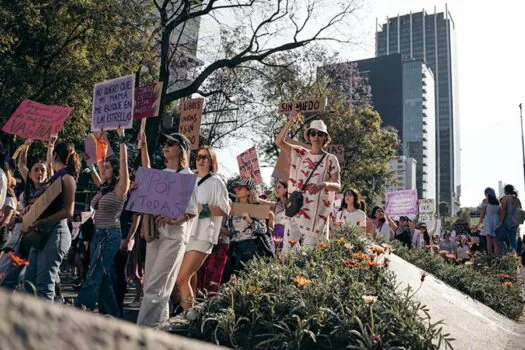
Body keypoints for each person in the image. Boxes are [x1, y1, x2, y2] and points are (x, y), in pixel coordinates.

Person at [136, 132, 198, 326]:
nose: (166, 146)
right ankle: (160, 327)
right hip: (155, 235)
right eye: (165, 143)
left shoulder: (188, 176)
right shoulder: (162, 174)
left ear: (181, 149)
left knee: (156, 285)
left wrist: (174, 220)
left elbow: (193, 210)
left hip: (174, 238)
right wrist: (143, 145)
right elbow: (146, 172)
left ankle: (141, 331)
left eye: (171, 143)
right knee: (152, 285)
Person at [75, 129, 130, 316]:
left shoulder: (120, 189)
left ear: (115, 171)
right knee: (103, 277)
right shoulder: (103, 187)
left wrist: (121, 137)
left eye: (106, 167)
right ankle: (114, 315)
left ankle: (81, 310)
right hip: (98, 235)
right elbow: (92, 165)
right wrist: (92, 150)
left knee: (93, 274)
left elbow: (123, 163)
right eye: (102, 167)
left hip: (110, 235)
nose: (102, 169)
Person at [175, 146, 230, 311]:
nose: (201, 160)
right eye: (198, 157)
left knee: (181, 279)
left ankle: (189, 319)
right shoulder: (189, 179)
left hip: (204, 235)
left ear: (211, 161)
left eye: (205, 157)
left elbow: (225, 209)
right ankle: (191, 313)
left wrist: (203, 208)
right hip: (186, 233)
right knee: (190, 278)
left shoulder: (216, 182)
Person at [274, 112, 341, 246]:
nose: (316, 137)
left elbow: (338, 185)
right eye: (313, 133)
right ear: (309, 136)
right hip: (296, 207)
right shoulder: (300, 153)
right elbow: (279, 141)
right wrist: (290, 122)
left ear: (325, 138)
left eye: (320, 134)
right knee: (289, 252)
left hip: (316, 213)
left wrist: (324, 184)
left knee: (311, 254)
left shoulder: (331, 159)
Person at [23, 142, 79, 300]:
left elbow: (69, 211)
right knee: (29, 280)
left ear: (55, 156)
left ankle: (45, 322)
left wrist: (43, 220)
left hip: (56, 234)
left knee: (44, 284)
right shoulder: (54, 179)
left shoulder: (67, 178)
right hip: (42, 233)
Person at [222, 178, 268, 282]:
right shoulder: (233, 209)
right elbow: (231, 232)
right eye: (235, 188)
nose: (236, 190)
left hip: (250, 249)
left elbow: (264, 229)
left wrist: (250, 220)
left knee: (249, 281)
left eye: (239, 187)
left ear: (248, 191)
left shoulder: (256, 207)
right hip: (234, 250)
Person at [499, 184, 522, 253]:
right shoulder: (517, 199)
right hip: (516, 221)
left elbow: (503, 211)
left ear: (505, 191)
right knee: (513, 239)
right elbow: (520, 210)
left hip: (508, 220)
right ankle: (515, 257)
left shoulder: (505, 198)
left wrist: (500, 222)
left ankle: (506, 252)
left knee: (499, 238)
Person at [479, 187, 500, 254]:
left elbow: (483, 212)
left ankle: (490, 255)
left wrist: (480, 221)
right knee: (495, 240)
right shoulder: (497, 201)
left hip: (488, 220)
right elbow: (499, 212)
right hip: (496, 220)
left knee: (488, 239)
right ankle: (496, 255)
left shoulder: (485, 200)